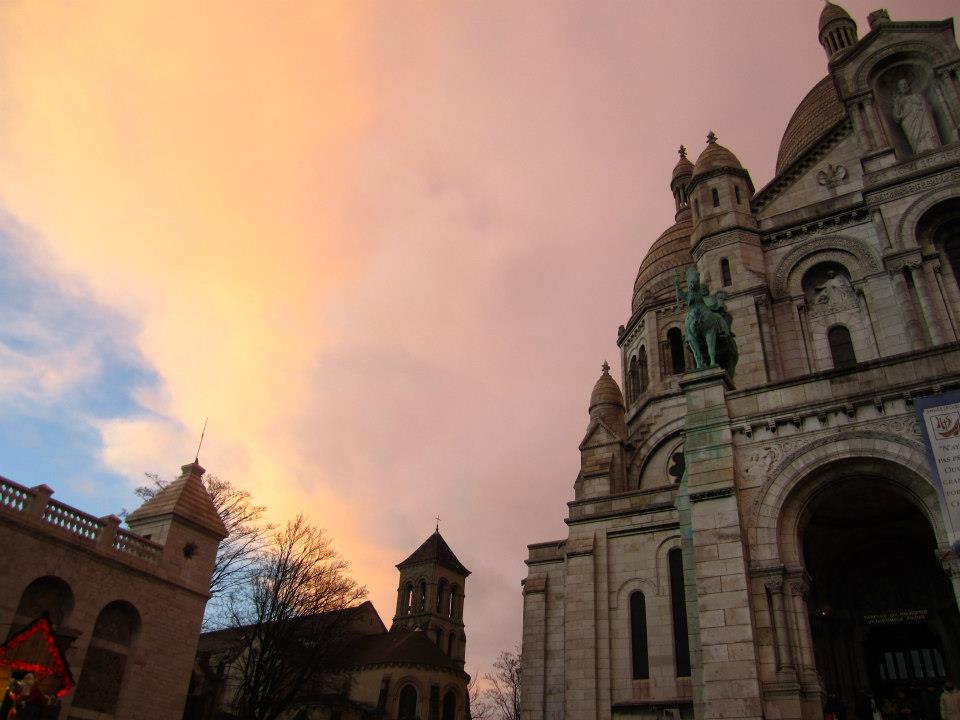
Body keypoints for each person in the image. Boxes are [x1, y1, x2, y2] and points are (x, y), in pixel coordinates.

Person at [892, 78, 939, 155]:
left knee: (926, 133)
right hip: (909, 121)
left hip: (923, 119)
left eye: (905, 84)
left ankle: (932, 146)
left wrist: (923, 109)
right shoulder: (899, 101)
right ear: (899, 88)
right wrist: (896, 104)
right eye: (901, 85)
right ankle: (919, 151)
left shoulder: (917, 96)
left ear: (908, 86)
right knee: (915, 137)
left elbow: (926, 107)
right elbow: (897, 117)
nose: (904, 86)